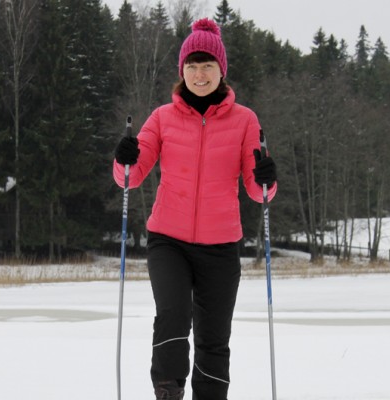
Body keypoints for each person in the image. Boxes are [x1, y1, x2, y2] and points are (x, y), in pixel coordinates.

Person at [113, 18, 277, 400]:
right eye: (192, 66)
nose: (199, 74)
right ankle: (168, 392)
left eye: (207, 66)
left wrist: (267, 177)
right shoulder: (161, 118)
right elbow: (130, 178)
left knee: (214, 336)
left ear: (222, 70)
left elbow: (259, 192)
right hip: (168, 240)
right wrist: (124, 159)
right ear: (181, 70)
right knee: (173, 314)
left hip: (221, 246)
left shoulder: (244, 120)